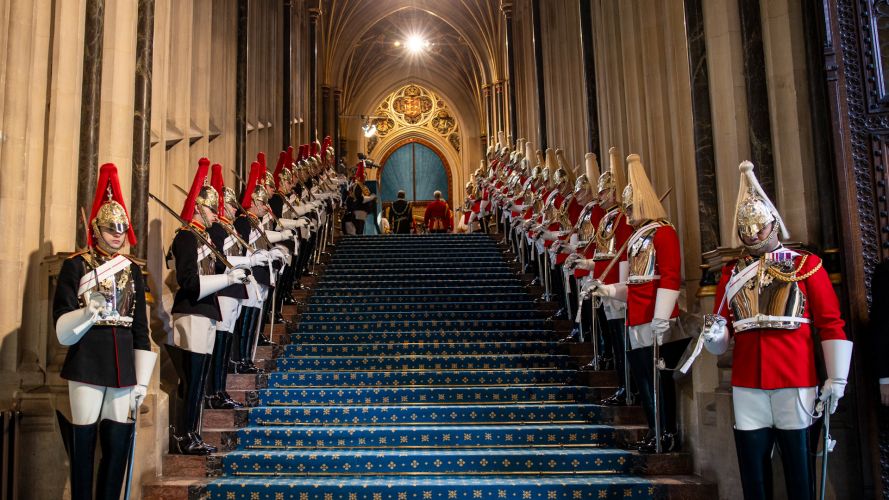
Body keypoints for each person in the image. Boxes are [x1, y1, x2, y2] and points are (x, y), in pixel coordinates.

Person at [702, 161, 852, 500]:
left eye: (759, 226)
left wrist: (837, 378)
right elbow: (724, 333)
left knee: (800, 474)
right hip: (747, 383)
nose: (753, 234)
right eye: (747, 228)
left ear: (773, 223)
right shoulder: (731, 273)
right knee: (753, 477)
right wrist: (714, 338)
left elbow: (830, 323)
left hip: (795, 379)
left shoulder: (806, 265)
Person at [54, 163, 156, 500]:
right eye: (111, 229)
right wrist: (87, 311)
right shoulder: (76, 264)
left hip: (123, 362)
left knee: (117, 446)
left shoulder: (131, 270)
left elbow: (140, 329)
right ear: (96, 229)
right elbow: (61, 327)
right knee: (83, 445)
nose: (117, 235)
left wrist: (141, 379)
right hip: (87, 358)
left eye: (122, 229)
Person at [585, 154, 683, 453]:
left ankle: (666, 433)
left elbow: (670, 277)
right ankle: (655, 430)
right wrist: (604, 289)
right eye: (625, 207)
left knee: (658, 381)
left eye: (630, 207)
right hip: (636, 316)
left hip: (654, 316)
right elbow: (631, 285)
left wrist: (662, 316)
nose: (627, 213)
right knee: (643, 379)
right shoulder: (638, 238)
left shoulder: (663, 232)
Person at [166, 158, 247, 455]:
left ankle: (194, 433)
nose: (217, 214)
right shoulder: (186, 237)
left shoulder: (205, 238)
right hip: (192, 310)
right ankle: (185, 436)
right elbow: (188, 280)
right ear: (199, 207)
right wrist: (226, 278)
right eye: (212, 208)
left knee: (200, 379)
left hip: (206, 311)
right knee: (192, 378)